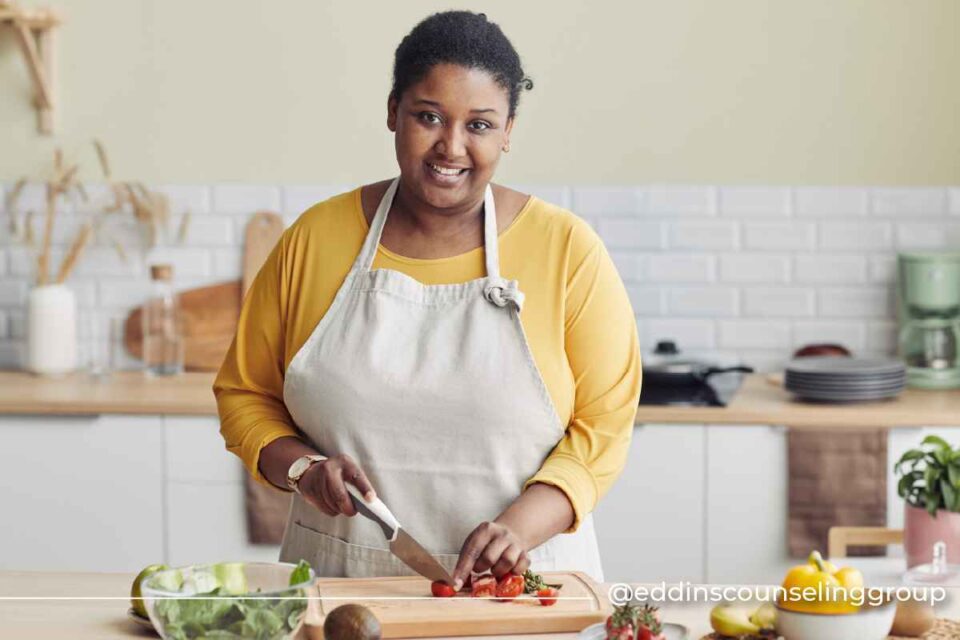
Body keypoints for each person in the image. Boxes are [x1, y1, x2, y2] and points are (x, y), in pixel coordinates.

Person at [214, 10, 641, 587]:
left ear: (509, 130)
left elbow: (604, 428)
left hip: (522, 592)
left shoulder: (566, 250)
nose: (452, 146)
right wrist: (304, 470)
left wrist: (519, 526)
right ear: (393, 111)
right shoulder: (315, 239)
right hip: (343, 586)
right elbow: (246, 395)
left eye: (481, 125)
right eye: (429, 116)